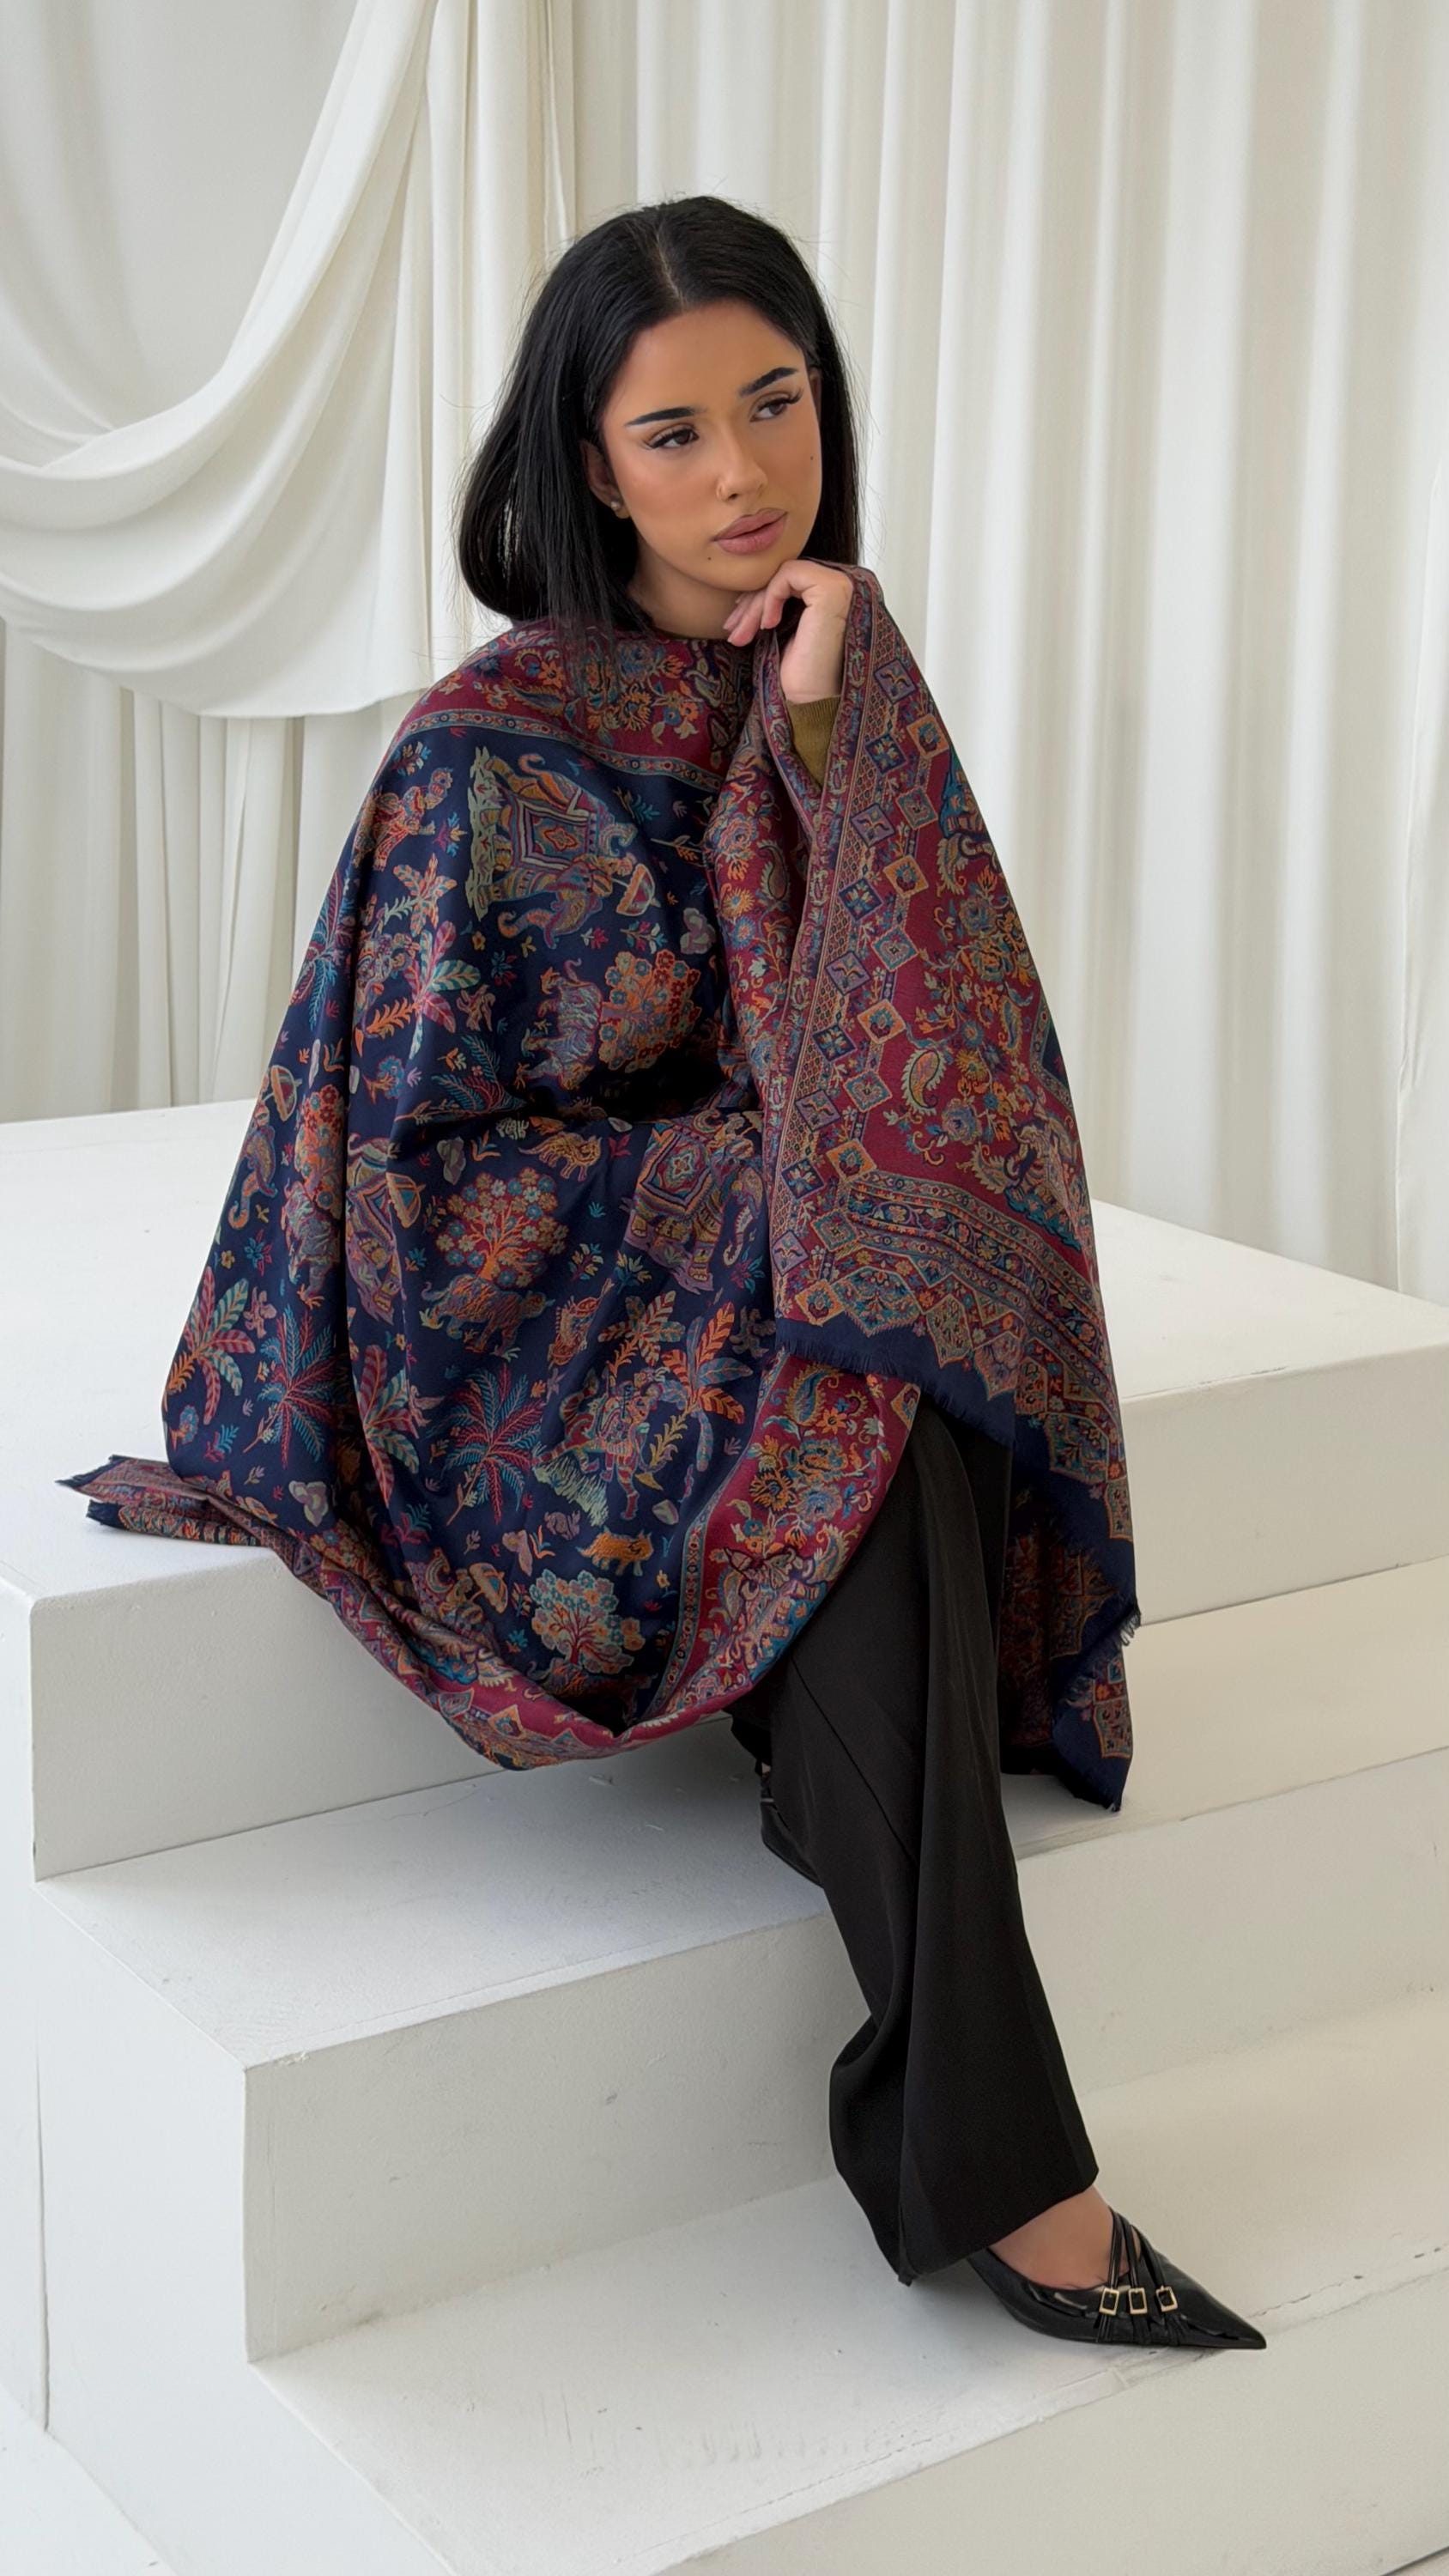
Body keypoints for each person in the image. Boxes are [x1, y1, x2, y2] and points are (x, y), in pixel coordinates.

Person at [60, 194, 1262, 2354]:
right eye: (677, 431)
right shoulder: (484, 744)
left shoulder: (813, 671)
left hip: (747, 1270)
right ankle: (1016, 2172)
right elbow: (425, 1163)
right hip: (520, 1327)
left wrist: (820, 740)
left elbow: (935, 1034)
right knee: (859, 1349)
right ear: (586, 462)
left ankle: (901, 1937)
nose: (744, 474)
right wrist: (770, 1182)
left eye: (776, 403)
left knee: (890, 1324)